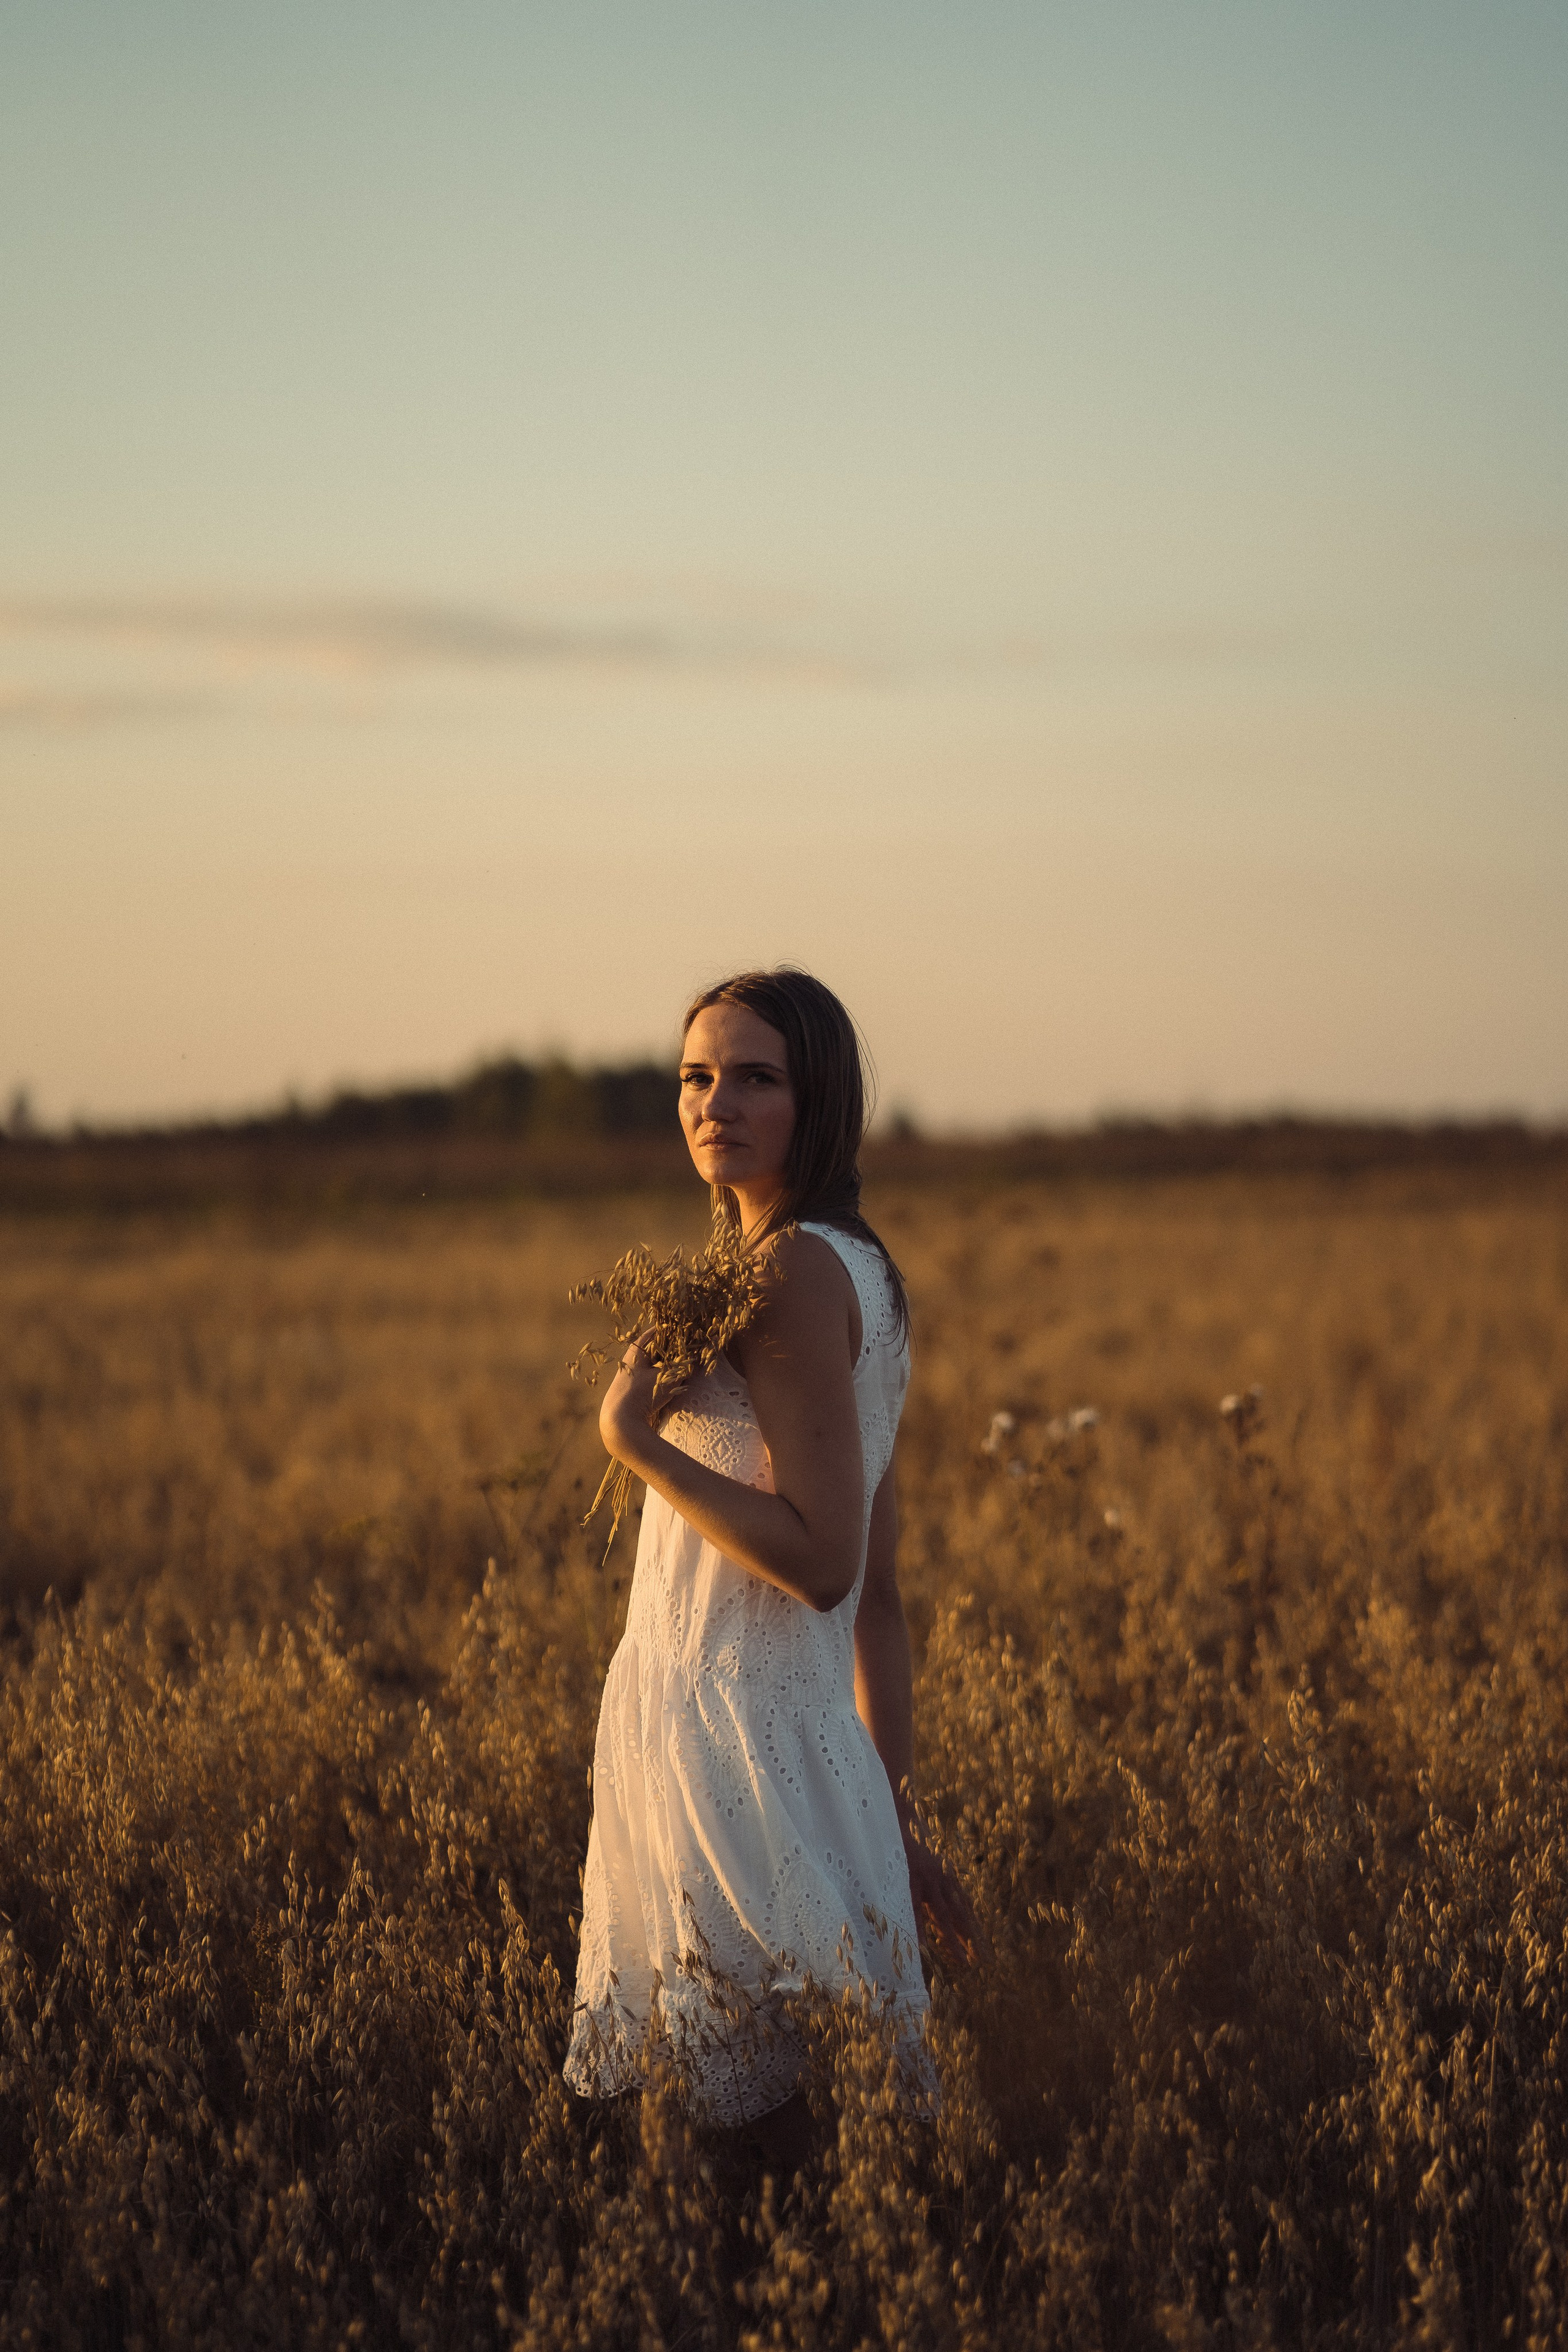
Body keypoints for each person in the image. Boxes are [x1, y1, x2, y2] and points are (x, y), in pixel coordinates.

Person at [563, 968, 973, 2159]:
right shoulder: (861, 1272)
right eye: (696, 1075)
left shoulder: (791, 1271)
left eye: (755, 1077)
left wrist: (633, 1443)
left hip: (730, 1746)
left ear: (819, 1099)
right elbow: (882, 1601)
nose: (714, 1103)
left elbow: (831, 1567)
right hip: (800, 1754)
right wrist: (879, 1811)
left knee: (734, 2160)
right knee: (792, 2161)